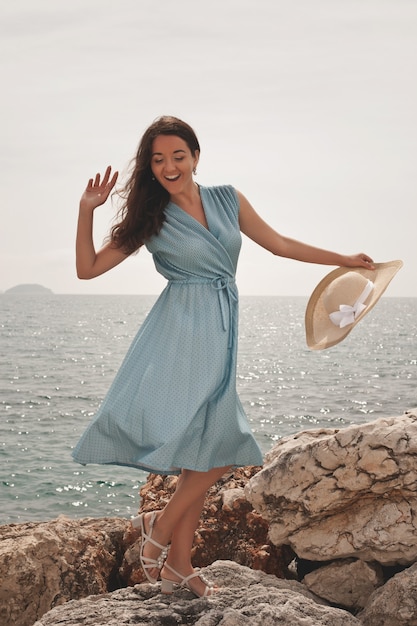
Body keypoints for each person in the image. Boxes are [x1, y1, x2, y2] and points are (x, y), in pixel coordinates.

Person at [72, 115, 374, 597]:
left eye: (177, 155)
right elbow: (87, 270)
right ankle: (160, 527)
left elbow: (280, 245)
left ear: (195, 155)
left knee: (206, 448)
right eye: (158, 159)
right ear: (149, 168)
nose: (169, 166)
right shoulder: (149, 219)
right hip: (180, 331)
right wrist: (87, 210)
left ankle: (179, 564)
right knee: (221, 449)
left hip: (222, 323)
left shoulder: (227, 198)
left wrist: (341, 258)